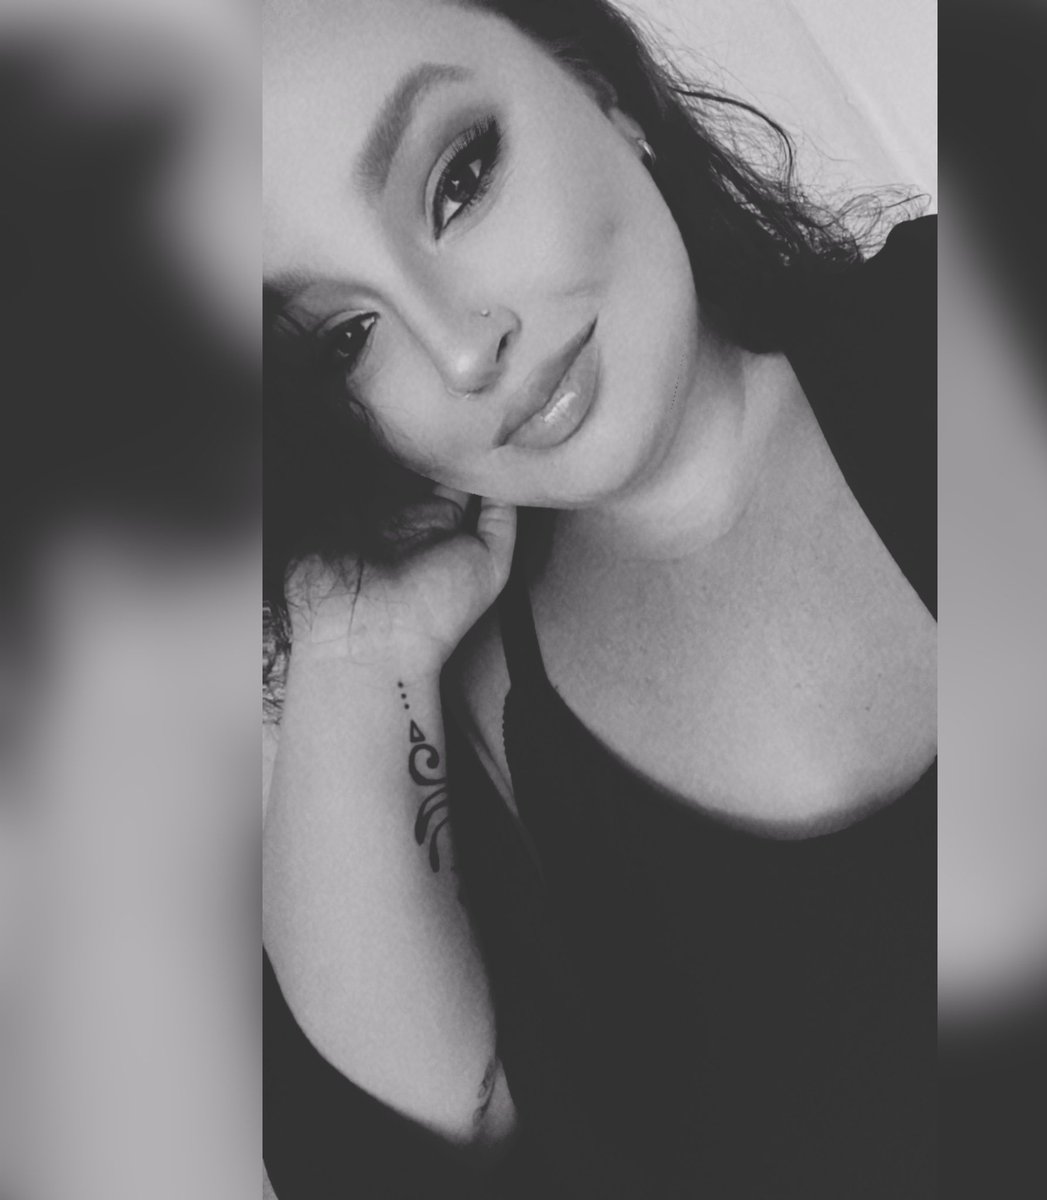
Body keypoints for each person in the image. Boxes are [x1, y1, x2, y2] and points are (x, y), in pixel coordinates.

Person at [262, 0, 936, 1195]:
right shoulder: (464, 736)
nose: (462, 348)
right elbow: (403, 1157)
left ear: (601, 90)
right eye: (347, 338)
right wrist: (356, 658)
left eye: (460, 179)